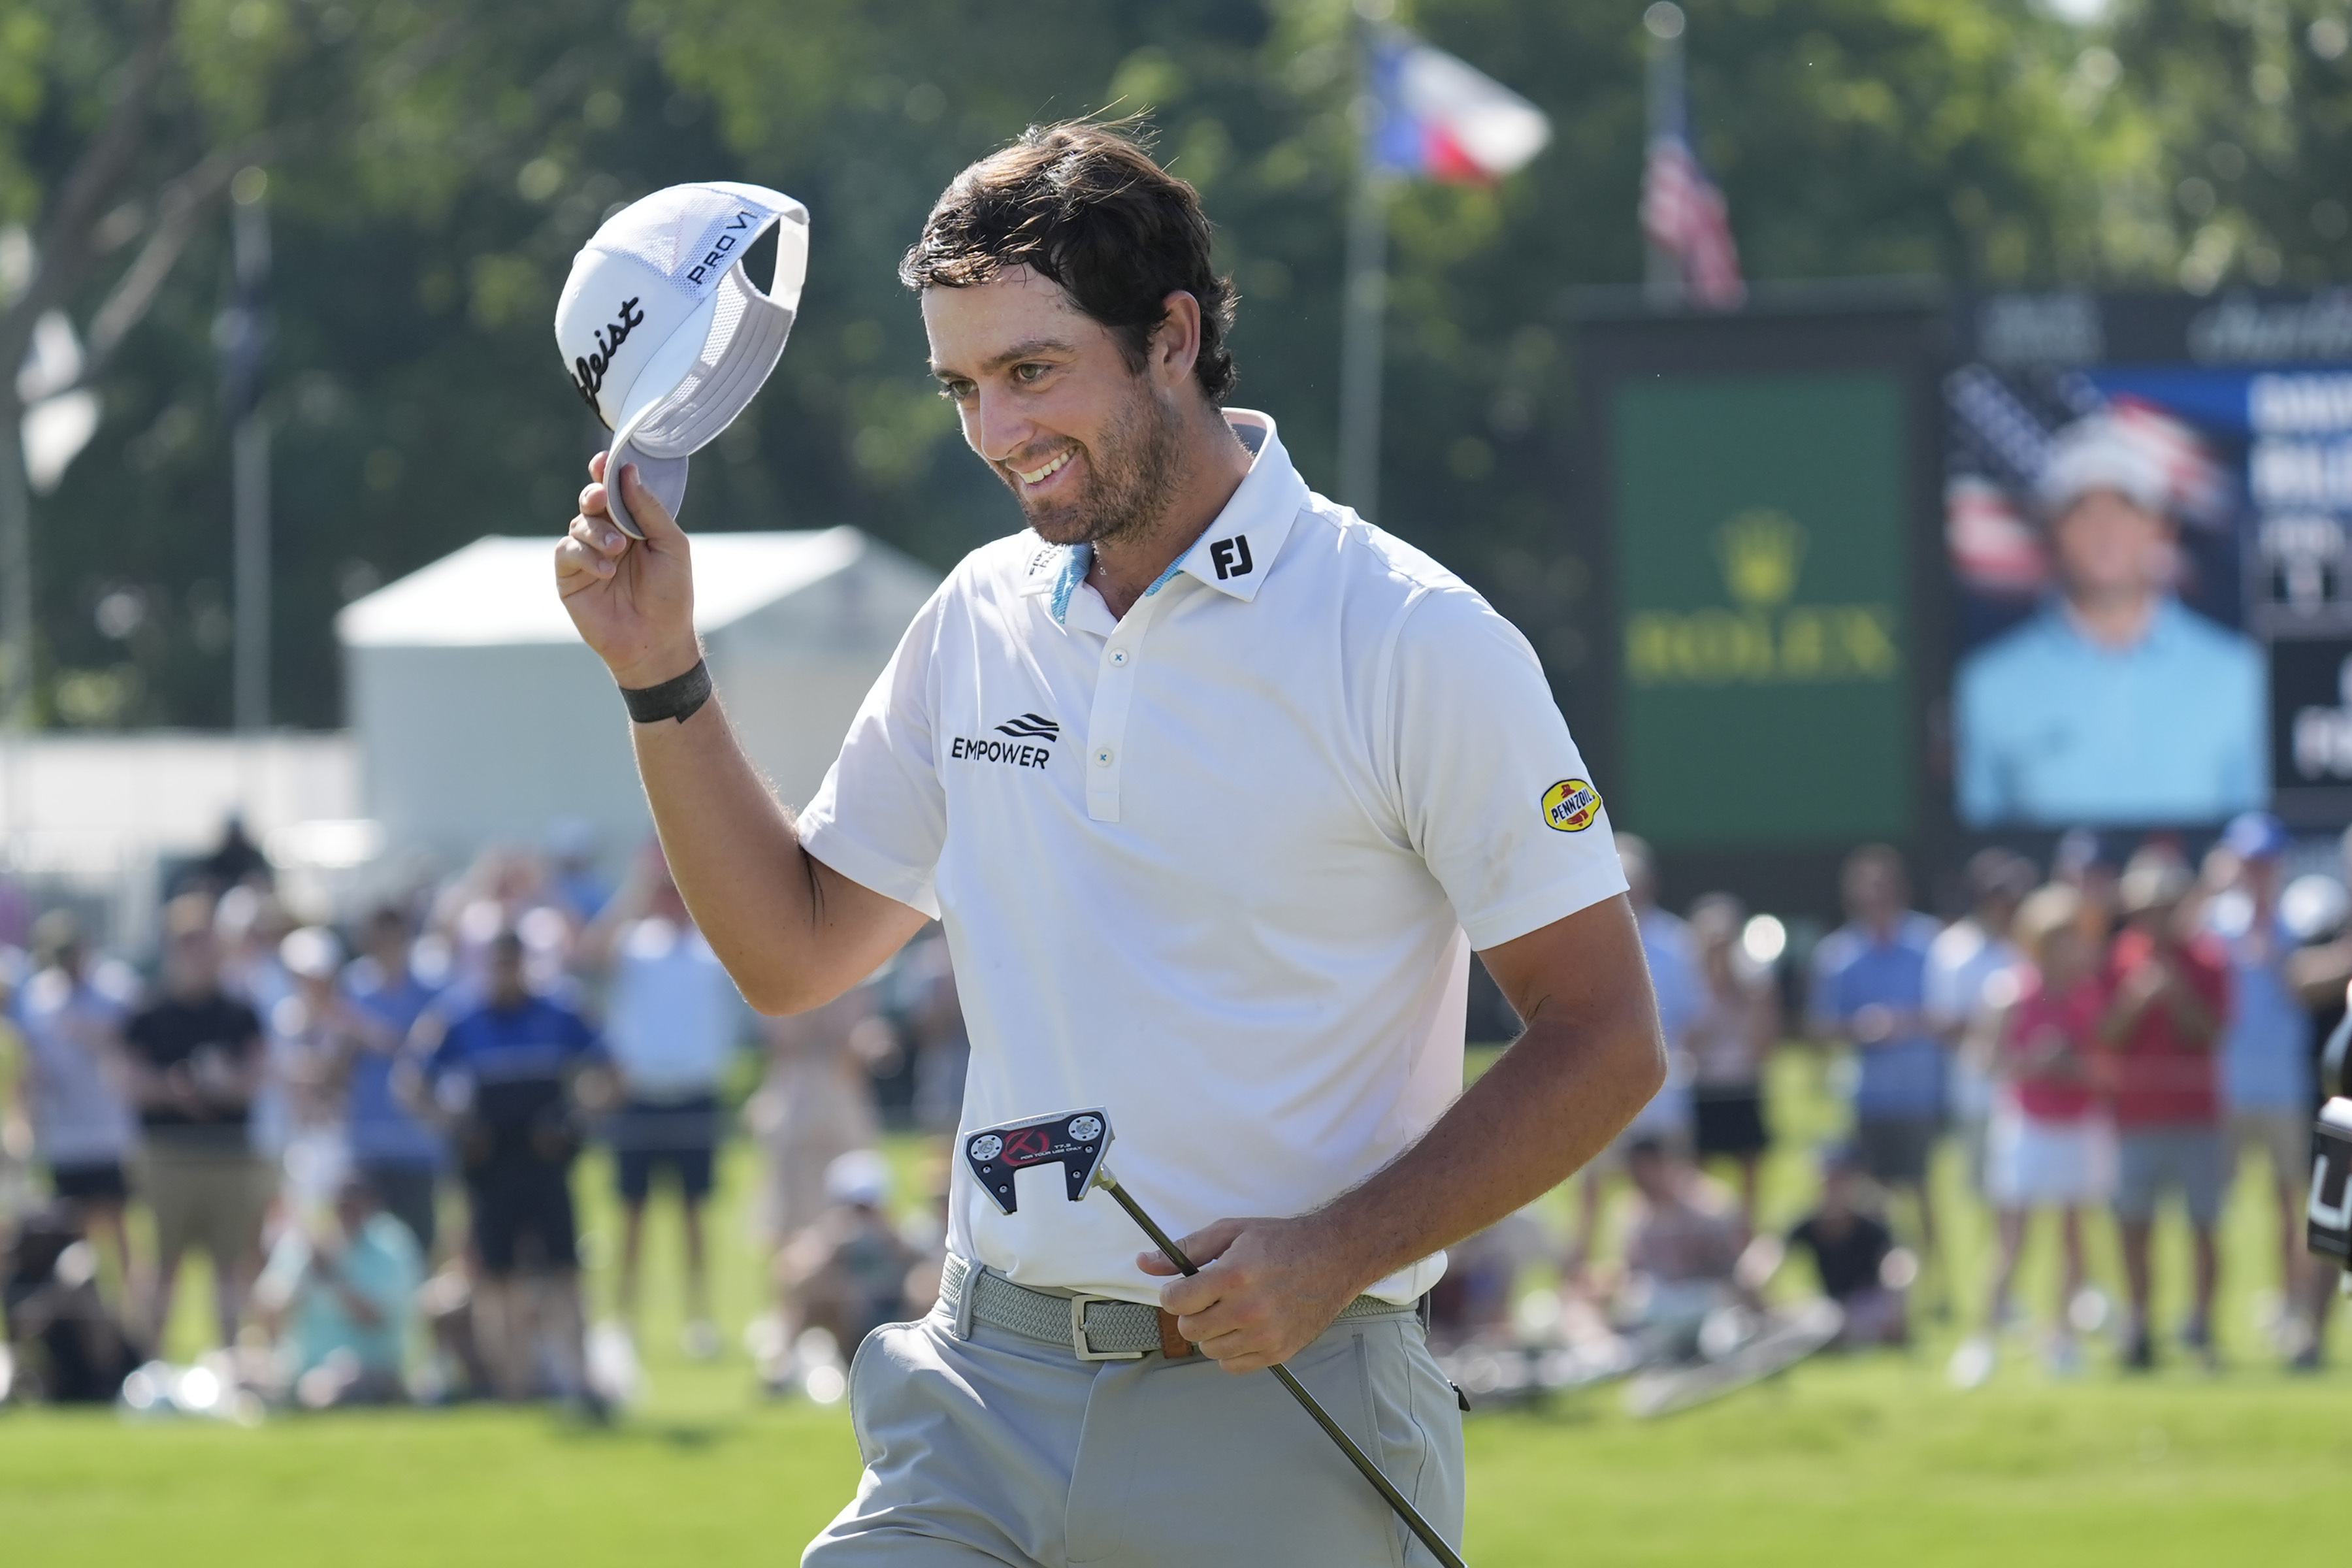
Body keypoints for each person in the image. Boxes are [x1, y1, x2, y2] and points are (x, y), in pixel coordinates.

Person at [555, 122, 1660, 1565]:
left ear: (1173, 340)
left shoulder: (1412, 636)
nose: (996, 431)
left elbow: (1608, 1035)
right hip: (976, 1395)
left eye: (1031, 372)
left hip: (1281, 1401)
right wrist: (659, 672)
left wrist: (1339, 1251)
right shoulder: (976, 614)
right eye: (962, 387)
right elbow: (794, 952)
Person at [1955, 412, 2263, 826]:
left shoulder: (2239, 675)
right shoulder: (1986, 686)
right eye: (2083, 509)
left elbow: (2259, 840)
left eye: (2125, 508)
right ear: (2052, 530)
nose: (2106, 531)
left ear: (2162, 529)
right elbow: (1979, 853)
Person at [410, 930, 610, 1405]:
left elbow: (613, 1072)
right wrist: (457, 1128)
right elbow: (413, 1082)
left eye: (511, 963)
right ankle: (511, 1386)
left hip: (545, 1162)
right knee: (495, 1276)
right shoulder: (460, 1017)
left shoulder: (560, 1011)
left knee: (565, 1270)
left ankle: (580, 1379)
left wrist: (573, 1123)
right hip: (490, 1166)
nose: (505, 974)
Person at [578, 844, 745, 1358]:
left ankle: (699, 1320)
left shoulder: (709, 947)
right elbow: (590, 952)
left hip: (695, 1093)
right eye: (665, 892)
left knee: (695, 1214)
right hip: (640, 1095)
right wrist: (636, 886)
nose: (672, 901)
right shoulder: (634, 944)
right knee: (632, 1214)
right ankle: (622, 1320)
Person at [1954, 883, 2110, 1387]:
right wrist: (2037, 1063)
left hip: (2079, 1125)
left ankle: (2059, 1338)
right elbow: (1985, 1061)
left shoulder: (2089, 996)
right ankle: (1981, 1339)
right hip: (2027, 1126)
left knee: (2072, 1237)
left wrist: (2073, 1068)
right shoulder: (2011, 992)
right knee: (2012, 1241)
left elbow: (2107, 1069)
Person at [120, 894, 269, 1351]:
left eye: (203, 942)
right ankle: (153, 1362)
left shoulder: (239, 1012)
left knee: (231, 1263)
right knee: (164, 1262)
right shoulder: (150, 1012)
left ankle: (231, 1359)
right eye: (186, 942)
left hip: (229, 1153)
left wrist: (221, 1086)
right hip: (168, 1154)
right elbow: (127, 1077)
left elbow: (258, 1074)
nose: (196, 952)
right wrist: (176, 1090)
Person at [2100, 853, 2229, 1370]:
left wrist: (2176, 995)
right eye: (2148, 907)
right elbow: (2105, 1036)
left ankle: (2200, 1326)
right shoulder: (2117, 960)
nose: (2157, 916)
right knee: (2133, 1227)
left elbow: (2213, 1033)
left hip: (2196, 1115)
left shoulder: (2209, 959)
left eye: (2166, 906)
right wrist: (2135, 1001)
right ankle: (2139, 1326)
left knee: (2204, 1225)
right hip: (2135, 1117)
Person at [2201, 811, 2317, 1360]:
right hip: (2225, 1088)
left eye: (2266, 861)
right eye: (2249, 861)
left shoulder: (2302, 920)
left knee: (2291, 1206)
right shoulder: (2214, 922)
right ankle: (2207, 1319)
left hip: (2285, 1088)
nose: (2258, 871)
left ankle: (2291, 1309)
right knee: (2212, 1209)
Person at [1808, 845, 1948, 1286]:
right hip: (1869, 1093)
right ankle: (1894, 1280)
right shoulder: (1838, 955)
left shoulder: (1933, 945)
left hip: (1921, 1089)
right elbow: (1821, 1028)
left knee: (1923, 1188)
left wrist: (1906, 1023)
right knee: (1878, 1194)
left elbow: (1950, 1015)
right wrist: (1861, 1028)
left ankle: (1938, 1279)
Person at [1569, 836, 1701, 1277]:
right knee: (1592, 1180)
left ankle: (1672, 1268)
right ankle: (1584, 1263)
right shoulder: (1584, 937)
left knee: (1667, 1183)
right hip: (1601, 1088)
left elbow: (1691, 1020)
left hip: (1662, 1091)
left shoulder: (1677, 942)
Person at [12, 911, 139, 1298]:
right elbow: (29, 1066)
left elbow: (134, 1048)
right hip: (63, 1136)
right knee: (73, 1235)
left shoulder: (116, 988)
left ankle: (133, 1312)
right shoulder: (37, 997)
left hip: (111, 1132)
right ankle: (93, 1320)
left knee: (118, 1227)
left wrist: (96, 1035)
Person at [250, 1175, 424, 1407]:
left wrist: (332, 1276)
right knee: (234, 1368)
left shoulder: (391, 1244)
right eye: (342, 1204)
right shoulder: (303, 1245)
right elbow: (266, 1308)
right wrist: (296, 1287)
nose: (348, 1212)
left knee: (329, 1385)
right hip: (298, 1363)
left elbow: (378, 1318)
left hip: (368, 1364)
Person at [1925, 848, 2036, 1196]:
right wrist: (1998, 1028)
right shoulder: (1953, 948)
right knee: (1984, 1190)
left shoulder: (2034, 945)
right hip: (1976, 1090)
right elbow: (1944, 1023)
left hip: (2033, 1090)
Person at [342, 907, 448, 1256]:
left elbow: (427, 1051)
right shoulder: (353, 990)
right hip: (367, 1143)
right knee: (368, 1249)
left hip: (417, 1144)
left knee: (421, 1247)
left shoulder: (432, 991)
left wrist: (369, 1034)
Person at [776, 1149, 926, 1360]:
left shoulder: (898, 1232)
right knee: (817, 1296)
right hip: (845, 1323)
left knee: (924, 1287)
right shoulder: (825, 1236)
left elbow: (925, 1269)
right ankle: (781, 1368)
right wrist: (832, 1247)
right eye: (855, 1207)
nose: (861, 1216)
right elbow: (792, 1281)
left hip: (891, 1314)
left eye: (868, 1207)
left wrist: (891, 1241)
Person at [1684, 893, 1777, 1228]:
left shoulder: (1755, 984)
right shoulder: (1688, 983)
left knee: (1750, 1172)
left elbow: (1763, 1044)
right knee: (1695, 1176)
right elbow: (1687, 1040)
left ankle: (1747, 1236)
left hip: (1741, 1086)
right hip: (1704, 1089)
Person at [1783, 1147, 1908, 1349]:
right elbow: (1771, 1255)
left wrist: (1896, 1291)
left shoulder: (1871, 1225)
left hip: (1867, 1303)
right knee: (1819, 1317)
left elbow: (1897, 1261)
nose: (1835, 1187)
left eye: (1841, 1179)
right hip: (1831, 1306)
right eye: (1830, 1179)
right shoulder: (1809, 1225)